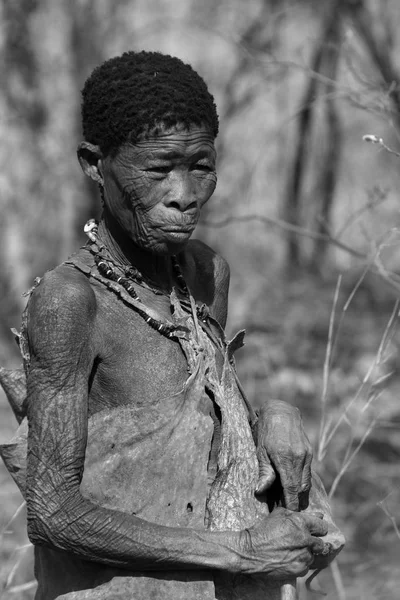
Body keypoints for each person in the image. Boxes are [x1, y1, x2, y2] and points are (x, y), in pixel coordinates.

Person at [0, 51, 344, 600]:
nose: (184, 194)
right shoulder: (70, 302)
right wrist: (240, 551)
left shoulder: (206, 274)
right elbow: (52, 512)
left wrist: (274, 417)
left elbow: (206, 427)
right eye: (158, 170)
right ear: (95, 164)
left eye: (200, 166)